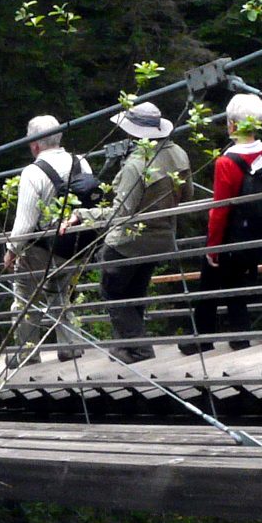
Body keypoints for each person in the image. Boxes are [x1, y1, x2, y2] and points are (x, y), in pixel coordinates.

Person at [71, 104, 188, 364]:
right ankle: (125, 348)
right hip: (161, 238)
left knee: (112, 292)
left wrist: (83, 214)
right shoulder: (179, 154)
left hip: (128, 241)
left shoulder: (136, 165)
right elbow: (187, 194)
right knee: (135, 292)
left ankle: (140, 349)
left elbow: (120, 213)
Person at [190, 94, 262, 355]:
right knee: (236, 282)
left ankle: (202, 338)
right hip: (259, 233)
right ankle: (239, 337)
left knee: (209, 280)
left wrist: (213, 248)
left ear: (232, 124)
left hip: (232, 235)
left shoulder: (226, 162)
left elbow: (220, 209)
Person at [3, 115, 95, 364]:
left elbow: (24, 224)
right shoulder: (81, 162)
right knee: (61, 294)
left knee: (24, 297)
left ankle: (26, 353)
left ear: (34, 144)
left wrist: (11, 251)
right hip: (75, 244)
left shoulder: (33, 172)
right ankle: (70, 347)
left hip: (42, 248)